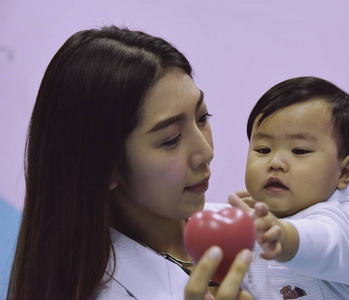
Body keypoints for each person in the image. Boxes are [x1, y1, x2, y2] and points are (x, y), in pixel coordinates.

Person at [7, 25, 253, 300]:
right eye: (171, 139)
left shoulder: (257, 228)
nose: (206, 152)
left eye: (202, 118)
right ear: (104, 167)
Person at [228, 76, 349, 299]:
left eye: (299, 151)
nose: (275, 163)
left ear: (344, 172)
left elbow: (323, 241)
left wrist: (283, 235)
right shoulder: (253, 224)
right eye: (263, 150)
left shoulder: (342, 220)